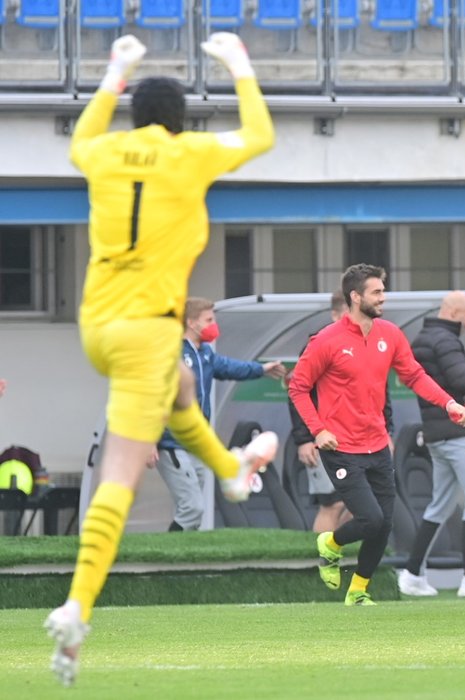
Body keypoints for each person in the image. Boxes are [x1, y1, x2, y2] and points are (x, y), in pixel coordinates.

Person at [44, 33, 278, 687]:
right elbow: (259, 135)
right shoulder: (192, 153)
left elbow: (78, 136)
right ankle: (76, 606)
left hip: (97, 325)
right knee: (122, 468)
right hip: (147, 329)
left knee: (179, 388)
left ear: (134, 113)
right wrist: (239, 65)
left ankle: (230, 472)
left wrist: (116, 69)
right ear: (179, 121)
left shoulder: (105, 149)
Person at [288, 264, 465, 606]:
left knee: (383, 525)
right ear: (356, 297)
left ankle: (358, 591)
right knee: (370, 518)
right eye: (376, 292)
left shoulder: (390, 334)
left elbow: (415, 376)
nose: (383, 298)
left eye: (383, 291)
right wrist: (318, 430)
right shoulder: (326, 340)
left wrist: (448, 403)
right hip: (339, 446)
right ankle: (330, 544)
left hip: (376, 443)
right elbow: (298, 387)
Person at [398, 291, 465, 598]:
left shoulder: (425, 336)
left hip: (437, 434)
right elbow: (462, 381)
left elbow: (453, 376)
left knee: (440, 504)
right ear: (456, 314)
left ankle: (412, 573)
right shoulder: (444, 341)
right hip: (456, 432)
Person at [155, 297, 287, 532]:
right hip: (171, 443)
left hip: (196, 444)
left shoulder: (204, 353)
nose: (213, 324)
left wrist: (261, 369)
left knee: (194, 509)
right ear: (192, 323)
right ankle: (165, 561)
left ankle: (183, 560)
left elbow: (228, 367)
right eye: (209, 320)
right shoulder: (172, 353)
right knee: (192, 508)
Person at [288, 292, 354, 533]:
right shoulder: (317, 345)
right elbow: (297, 391)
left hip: (354, 439)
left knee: (364, 505)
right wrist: (304, 438)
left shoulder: (361, 344)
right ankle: (322, 565)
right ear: (334, 314)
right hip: (322, 439)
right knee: (332, 503)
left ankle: (338, 552)